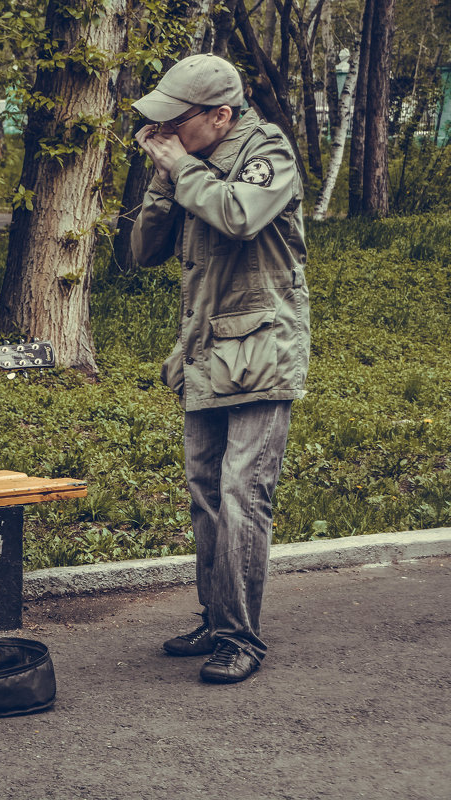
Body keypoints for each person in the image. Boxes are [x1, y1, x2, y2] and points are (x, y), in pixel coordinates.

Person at [130, 54, 311, 683]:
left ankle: (242, 638)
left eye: (178, 123)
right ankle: (216, 618)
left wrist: (181, 167)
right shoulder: (188, 163)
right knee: (207, 494)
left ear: (221, 116)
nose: (168, 134)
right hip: (205, 353)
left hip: (261, 351)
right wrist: (162, 180)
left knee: (242, 496)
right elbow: (143, 252)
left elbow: (238, 215)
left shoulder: (269, 153)